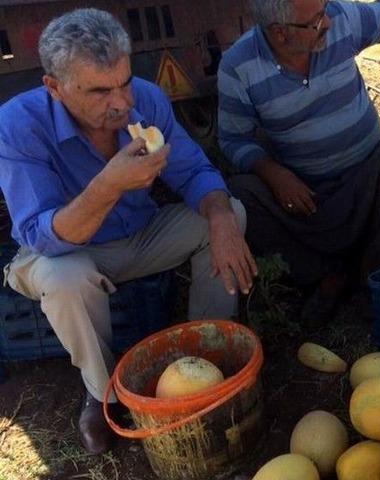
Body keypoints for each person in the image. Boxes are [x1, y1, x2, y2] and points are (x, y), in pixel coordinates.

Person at [0, 9, 256, 455]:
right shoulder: (18, 125)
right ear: (54, 88)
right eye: (99, 90)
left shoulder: (146, 98)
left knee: (229, 213)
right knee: (66, 281)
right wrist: (108, 185)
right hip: (63, 254)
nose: (120, 103)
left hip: (140, 237)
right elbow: (41, 235)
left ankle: (200, 359)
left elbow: (195, 172)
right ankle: (103, 396)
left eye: (123, 82)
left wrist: (219, 217)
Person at [219, 0, 380, 325]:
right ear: (280, 33)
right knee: (241, 194)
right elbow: (233, 140)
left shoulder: (341, 19)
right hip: (306, 200)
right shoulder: (238, 66)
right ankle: (326, 276)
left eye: (325, 9)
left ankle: (370, 269)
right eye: (316, 21)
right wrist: (272, 173)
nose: (328, 22)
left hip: (368, 179)